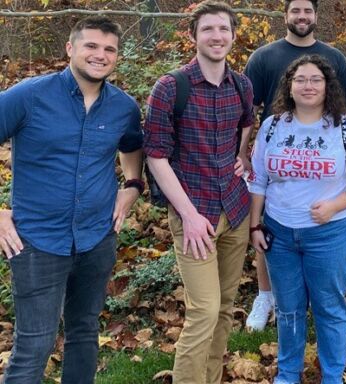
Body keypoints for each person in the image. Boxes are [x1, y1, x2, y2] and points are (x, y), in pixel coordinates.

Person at [0, 16, 143, 383]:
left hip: (97, 238)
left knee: (84, 333)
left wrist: (131, 185)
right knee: (35, 344)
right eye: (91, 46)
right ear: (70, 49)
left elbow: (131, 147)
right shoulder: (27, 96)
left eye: (109, 49)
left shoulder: (123, 107)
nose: (100, 55)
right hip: (37, 242)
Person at [143, 1, 254, 383]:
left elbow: (245, 123)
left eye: (223, 29)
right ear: (193, 36)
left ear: (234, 36)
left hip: (236, 211)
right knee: (204, 309)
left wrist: (242, 157)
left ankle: (209, 376)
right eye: (207, 29)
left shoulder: (241, 84)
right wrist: (189, 216)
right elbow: (156, 157)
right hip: (195, 215)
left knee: (224, 307)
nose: (216, 36)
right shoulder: (172, 87)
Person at [248, 54, 346, 384]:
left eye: (315, 80)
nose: (307, 86)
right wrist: (254, 224)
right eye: (300, 79)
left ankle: (332, 376)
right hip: (280, 233)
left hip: (329, 233)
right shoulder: (273, 125)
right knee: (288, 310)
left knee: (329, 309)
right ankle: (288, 374)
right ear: (289, 86)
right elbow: (258, 179)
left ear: (327, 86)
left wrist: (334, 205)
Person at [243, 0, 346, 331]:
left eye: (308, 11)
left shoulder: (334, 58)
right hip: (279, 159)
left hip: (323, 163)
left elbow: (345, 111)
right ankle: (266, 296)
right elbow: (247, 111)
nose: (302, 17)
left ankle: (332, 299)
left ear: (316, 16)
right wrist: (242, 152)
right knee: (269, 230)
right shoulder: (264, 58)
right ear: (286, 15)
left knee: (332, 232)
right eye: (296, 11)